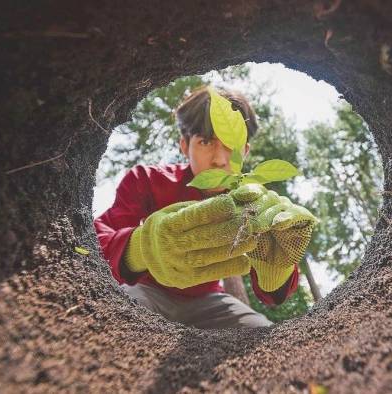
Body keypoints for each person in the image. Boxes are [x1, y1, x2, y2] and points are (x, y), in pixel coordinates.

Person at [94, 85, 315, 329]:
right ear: (184, 145)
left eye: (231, 146)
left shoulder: (253, 202)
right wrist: (139, 249)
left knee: (259, 332)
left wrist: (276, 270)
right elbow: (94, 241)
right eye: (206, 141)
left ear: (246, 151)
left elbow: (272, 296)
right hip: (146, 290)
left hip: (211, 301)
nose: (220, 159)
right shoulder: (146, 180)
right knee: (116, 318)